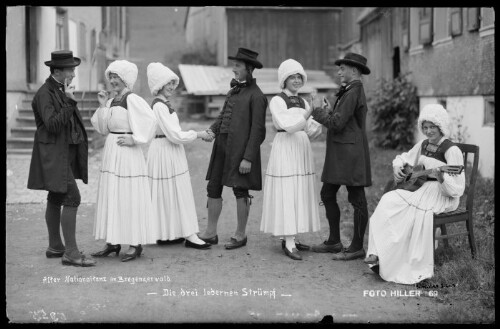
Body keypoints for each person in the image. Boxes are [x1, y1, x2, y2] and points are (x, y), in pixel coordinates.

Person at [364, 104, 465, 284]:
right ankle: (377, 253)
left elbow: (457, 189)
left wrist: (441, 177)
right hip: (422, 189)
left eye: (432, 127)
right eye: (425, 127)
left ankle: (402, 260)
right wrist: (397, 167)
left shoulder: (452, 150)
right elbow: (405, 158)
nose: (428, 131)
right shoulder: (424, 144)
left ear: (440, 126)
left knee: (413, 213)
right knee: (389, 200)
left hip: (443, 195)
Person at [27, 50, 96, 267]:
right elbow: (53, 125)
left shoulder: (59, 89)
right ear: (58, 71)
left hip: (61, 153)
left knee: (56, 196)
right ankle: (71, 253)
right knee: (72, 197)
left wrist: (68, 100)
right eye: (71, 70)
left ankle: (56, 246)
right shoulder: (45, 93)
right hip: (54, 155)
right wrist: (69, 102)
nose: (74, 74)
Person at [197, 48, 268, 250]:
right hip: (221, 146)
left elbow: (258, 131)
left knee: (240, 189)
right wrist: (212, 131)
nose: (233, 69)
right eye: (233, 65)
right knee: (213, 187)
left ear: (249, 68)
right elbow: (223, 116)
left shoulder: (257, 96)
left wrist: (248, 158)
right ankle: (210, 233)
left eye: (237, 66)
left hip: (241, 151)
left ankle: (240, 234)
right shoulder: (233, 90)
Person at [90, 59, 157, 262]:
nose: (112, 80)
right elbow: (102, 129)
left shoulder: (133, 99)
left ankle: (135, 244)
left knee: (129, 195)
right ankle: (113, 242)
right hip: (112, 152)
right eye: (110, 76)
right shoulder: (111, 101)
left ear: (126, 78)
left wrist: (134, 139)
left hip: (128, 153)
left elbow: (150, 121)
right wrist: (103, 107)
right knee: (113, 194)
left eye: (116, 76)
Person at [310, 52, 372, 260]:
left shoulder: (354, 91)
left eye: (342, 68)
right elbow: (340, 119)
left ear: (354, 70)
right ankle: (334, 241)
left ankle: (356, 247)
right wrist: (329, 111)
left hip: (350, 154)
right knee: (327, 194)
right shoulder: (350, 91)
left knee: (357, 199)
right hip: (343, 153)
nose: (338, 72)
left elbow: (336, 123)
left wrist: (317, 111)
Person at [260, 59, 322, 260]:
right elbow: (288, 126)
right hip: (286, 146)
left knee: (299, 190)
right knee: (287, 189)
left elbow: (311, 130)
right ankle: (287, 240)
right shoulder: (277, 100)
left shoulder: (304, 102)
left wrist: (320, 113)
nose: (296, 80)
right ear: (284, 79)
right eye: (292, 77)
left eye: (299, 77)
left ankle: (292, 237)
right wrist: (309, 113)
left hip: (301, 147)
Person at [146, 62, 211, 250]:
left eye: (173, 83)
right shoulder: (159, 106)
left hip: (167, 149)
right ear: (159, 84)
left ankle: (169, 233)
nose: (172, 88)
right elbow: (174, 135)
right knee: (173, 191)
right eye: (169, 84)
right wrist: (198, 134)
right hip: (165, 149)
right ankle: (188, 235)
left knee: (170, 191)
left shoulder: (164, 104)